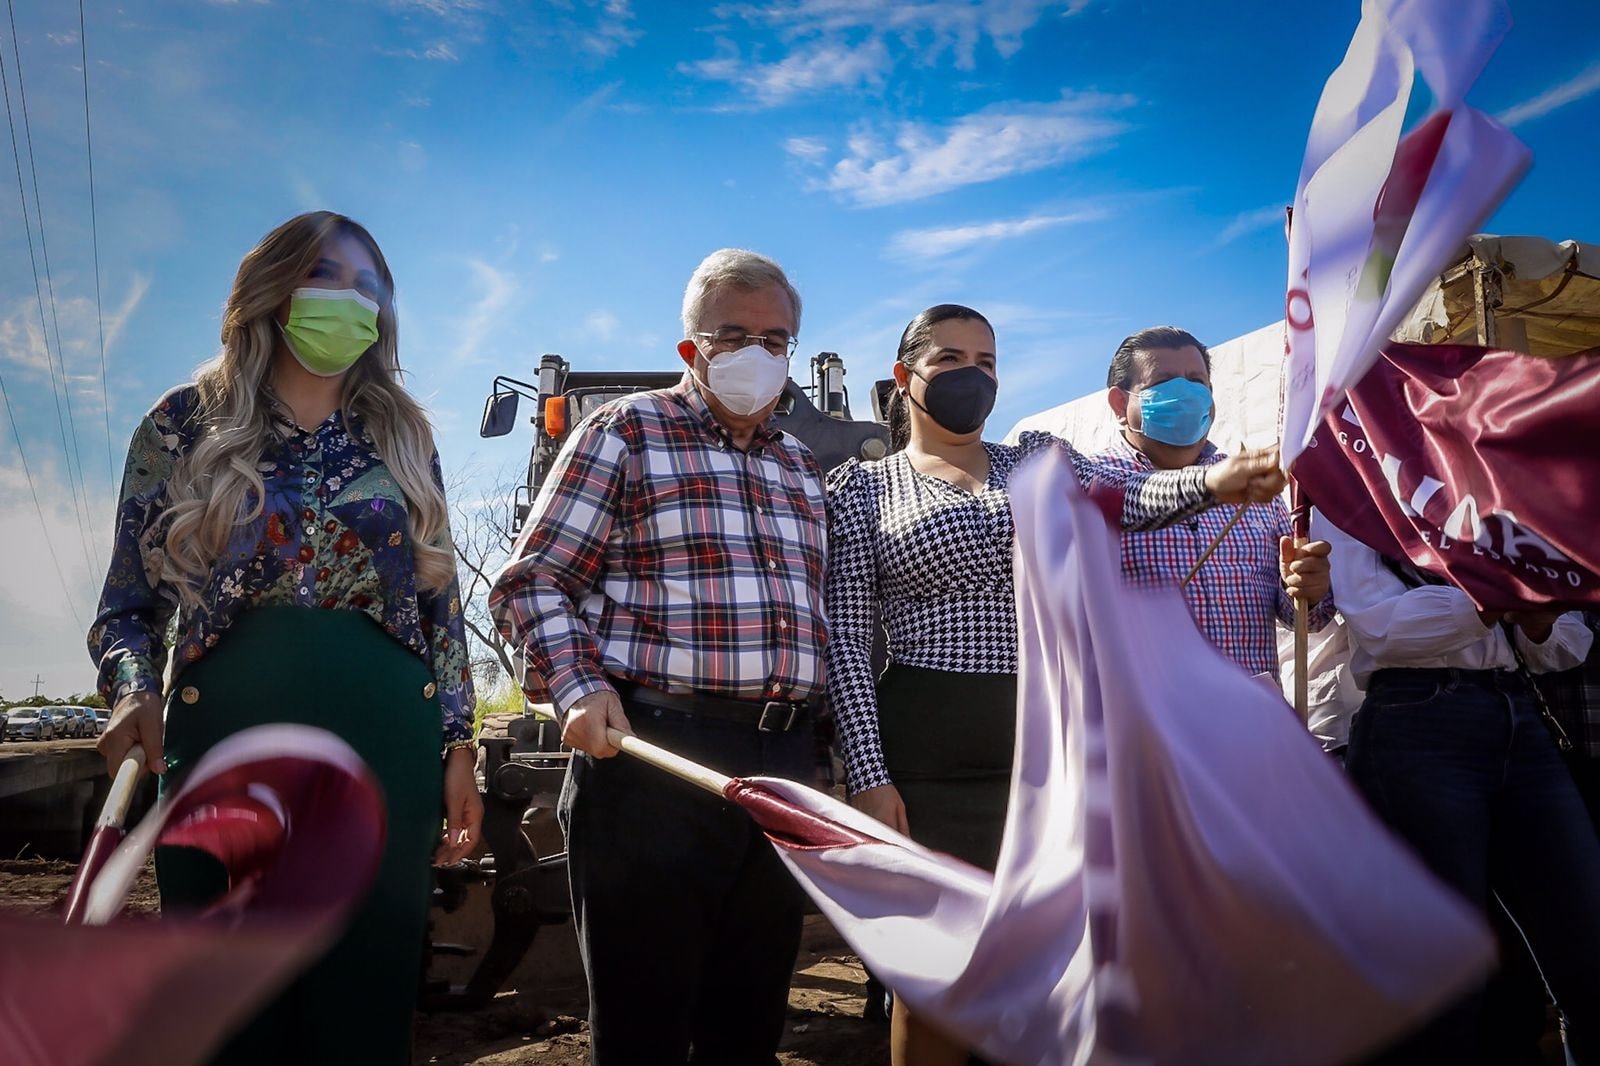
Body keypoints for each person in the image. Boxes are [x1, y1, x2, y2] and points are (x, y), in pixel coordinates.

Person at [823, 304, 1289, 1066]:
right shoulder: (863, 489)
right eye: (950, 359)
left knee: (1055, 974)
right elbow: (844, 641)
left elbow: (1126, 507)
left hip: (1054, 753)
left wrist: (1213, 482)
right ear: (905, 376)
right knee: (939, 978)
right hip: (928, 761)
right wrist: (870, 776)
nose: (972, 376)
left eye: (987, 361)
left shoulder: (1036, 462)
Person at [90, 210, 482, 1064]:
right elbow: (126, 607)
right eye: (326, 276)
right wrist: (130, 687)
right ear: (273, 290)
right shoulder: (180, 425)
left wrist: (459, 745)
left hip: (385, 741)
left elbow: (440, 609)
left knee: (366, 998)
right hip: (227, 736)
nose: (350, 300)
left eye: (368, 286)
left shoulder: (402, 435)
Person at [489, 249, 827, 1065]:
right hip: (653, 760)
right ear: (691, 350)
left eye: (776, 339)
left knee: (747, 1029)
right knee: (645, 1032)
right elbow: (531, 582)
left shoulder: (802, 468)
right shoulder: (628, 431)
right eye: (734, 334)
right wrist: (576, 688)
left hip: (782, 767)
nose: (758, 353)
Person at [1315, 515, 1600, 1064]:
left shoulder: (1491, 472)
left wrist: (1536, 615)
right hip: (1414, 720)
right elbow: (1382, 625)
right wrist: (1501, 595)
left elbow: (1562, 643)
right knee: (1449, 992)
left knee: (1588, 962)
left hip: (1514, 710)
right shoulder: (1356, 472)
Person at [1094, 326, 1335, 681]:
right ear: (1119, 403)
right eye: (1164, 381)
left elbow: (1305, 618)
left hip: (1252, 722)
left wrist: (1309, 590)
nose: (1186, 393)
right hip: (1148, 726)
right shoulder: (1095, 485)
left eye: (1196, 381)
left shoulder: (1257, 493)